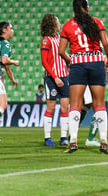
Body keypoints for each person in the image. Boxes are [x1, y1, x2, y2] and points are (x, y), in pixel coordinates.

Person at [59, 0, 108, 154]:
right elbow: (106, 43)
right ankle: (103, 141)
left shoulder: (68, 26)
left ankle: (73, 140)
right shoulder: (96, 22)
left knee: (75, 104)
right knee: (99, 104)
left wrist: (71, 61)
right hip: (96, 62)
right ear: (87, 8)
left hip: (78, 64)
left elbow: (61, 51)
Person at [40, 13, 70, 147]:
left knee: (65, 107)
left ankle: (64, 137)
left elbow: (64, 56)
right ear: (53, 23)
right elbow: (44, 62)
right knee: (50, 107)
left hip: (64, 76)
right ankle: (47, 138)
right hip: (51, 78)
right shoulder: (46, 40)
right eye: (57, 21)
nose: (59, 24)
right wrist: (55, 77)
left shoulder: (60, 39)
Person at [81, 59, 108, 147]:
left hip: (83, 76)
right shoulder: (96, 46)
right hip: (90, 79)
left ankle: (70, 135)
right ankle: (90, 139)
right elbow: (103, 59)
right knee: (98, 108)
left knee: (85, 106)